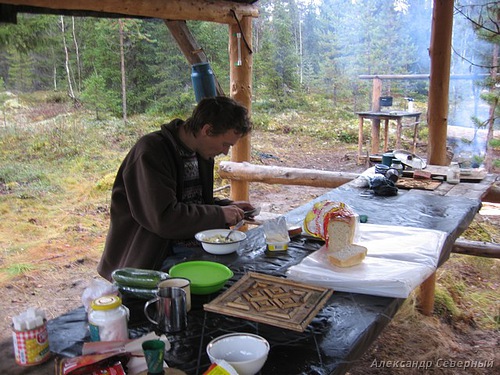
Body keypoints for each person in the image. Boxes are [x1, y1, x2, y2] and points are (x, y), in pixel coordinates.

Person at [97, 96, 254, 281]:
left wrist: (227, 207)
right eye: (225, 144)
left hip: (187, 248)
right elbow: (163, 218)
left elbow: (191, 203)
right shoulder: (152, 152)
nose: (225, 152)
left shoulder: (201, 153)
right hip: (151, 259)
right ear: (207, 130)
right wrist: (219, 215)